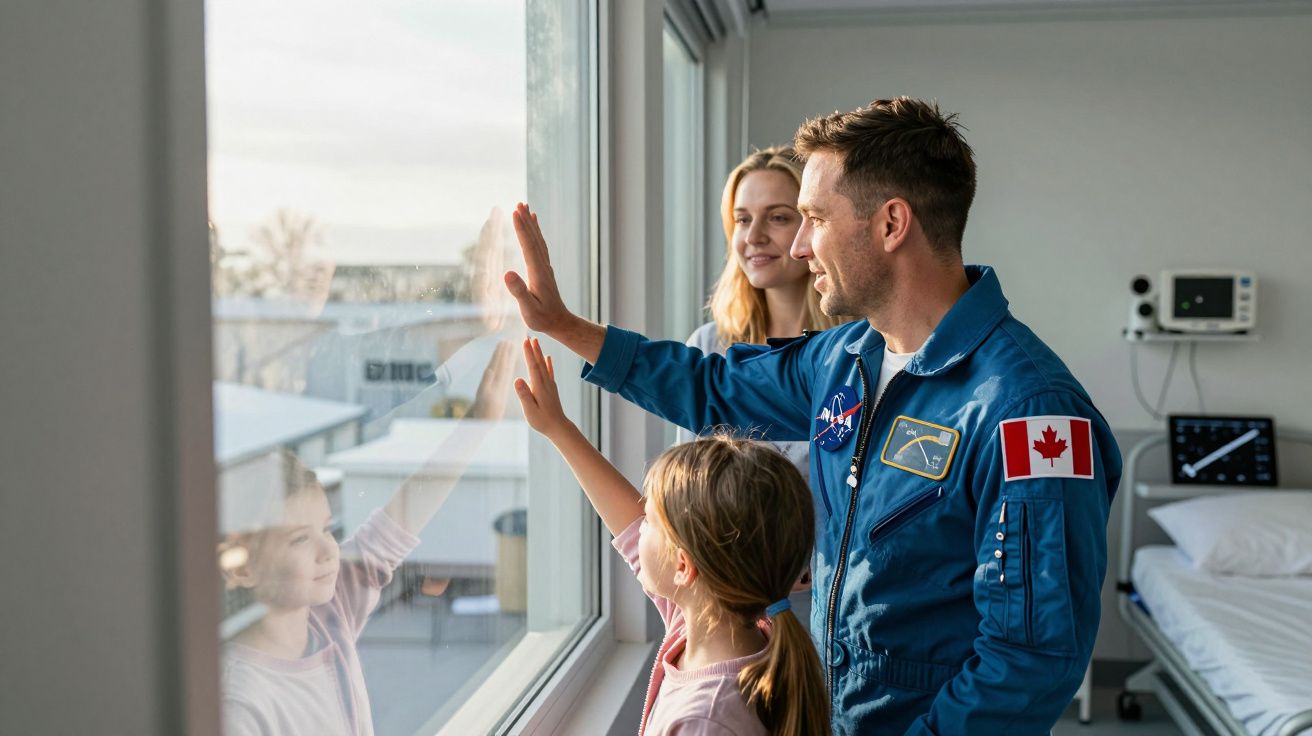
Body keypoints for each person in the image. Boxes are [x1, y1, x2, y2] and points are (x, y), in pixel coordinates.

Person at [503, 96, 1122, 735]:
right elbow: (712, 387)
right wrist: (565, 327)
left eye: (813, 218)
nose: (798, 247)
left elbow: (1028, 660)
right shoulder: (847, 358)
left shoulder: (1030, 416)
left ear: (890, 224)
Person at [513, 336, 829, 736]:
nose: (638, 523)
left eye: (650, 519)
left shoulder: (706, 719)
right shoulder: (725, 625)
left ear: (684, 565)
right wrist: (559, 429)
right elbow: (628, 526)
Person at [217, 342, 515, 736]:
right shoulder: (239, 704)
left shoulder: (329, 614)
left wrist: (477, 423)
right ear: (240, 567)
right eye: (300, 540)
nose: (329, 551)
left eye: (327, 529)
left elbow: (398, 522)